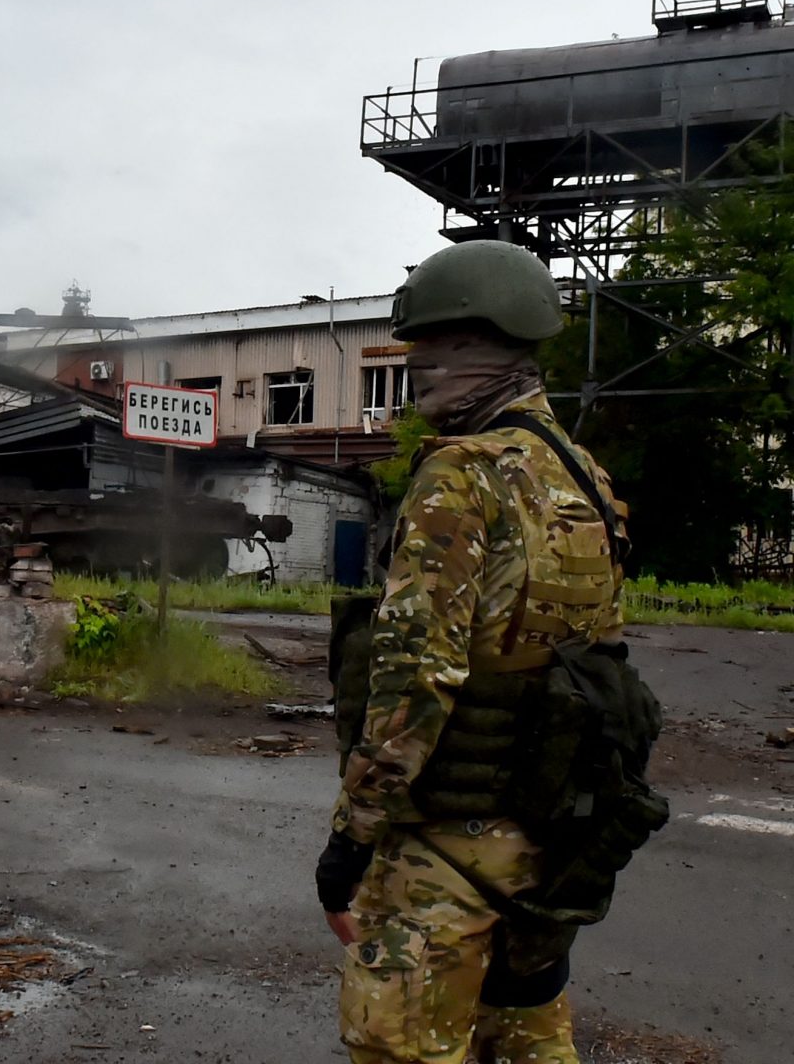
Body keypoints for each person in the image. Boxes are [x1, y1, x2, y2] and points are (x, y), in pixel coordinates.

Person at [316, 239, 664, 1063]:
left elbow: (414, 680)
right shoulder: (583, 477)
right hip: (544, 848)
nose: (419, 373)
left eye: (433, 352)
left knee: (401, 1047)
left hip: (442, 851)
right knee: (529, 1041)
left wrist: (350, 843)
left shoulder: (461, 477)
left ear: (484, 348)